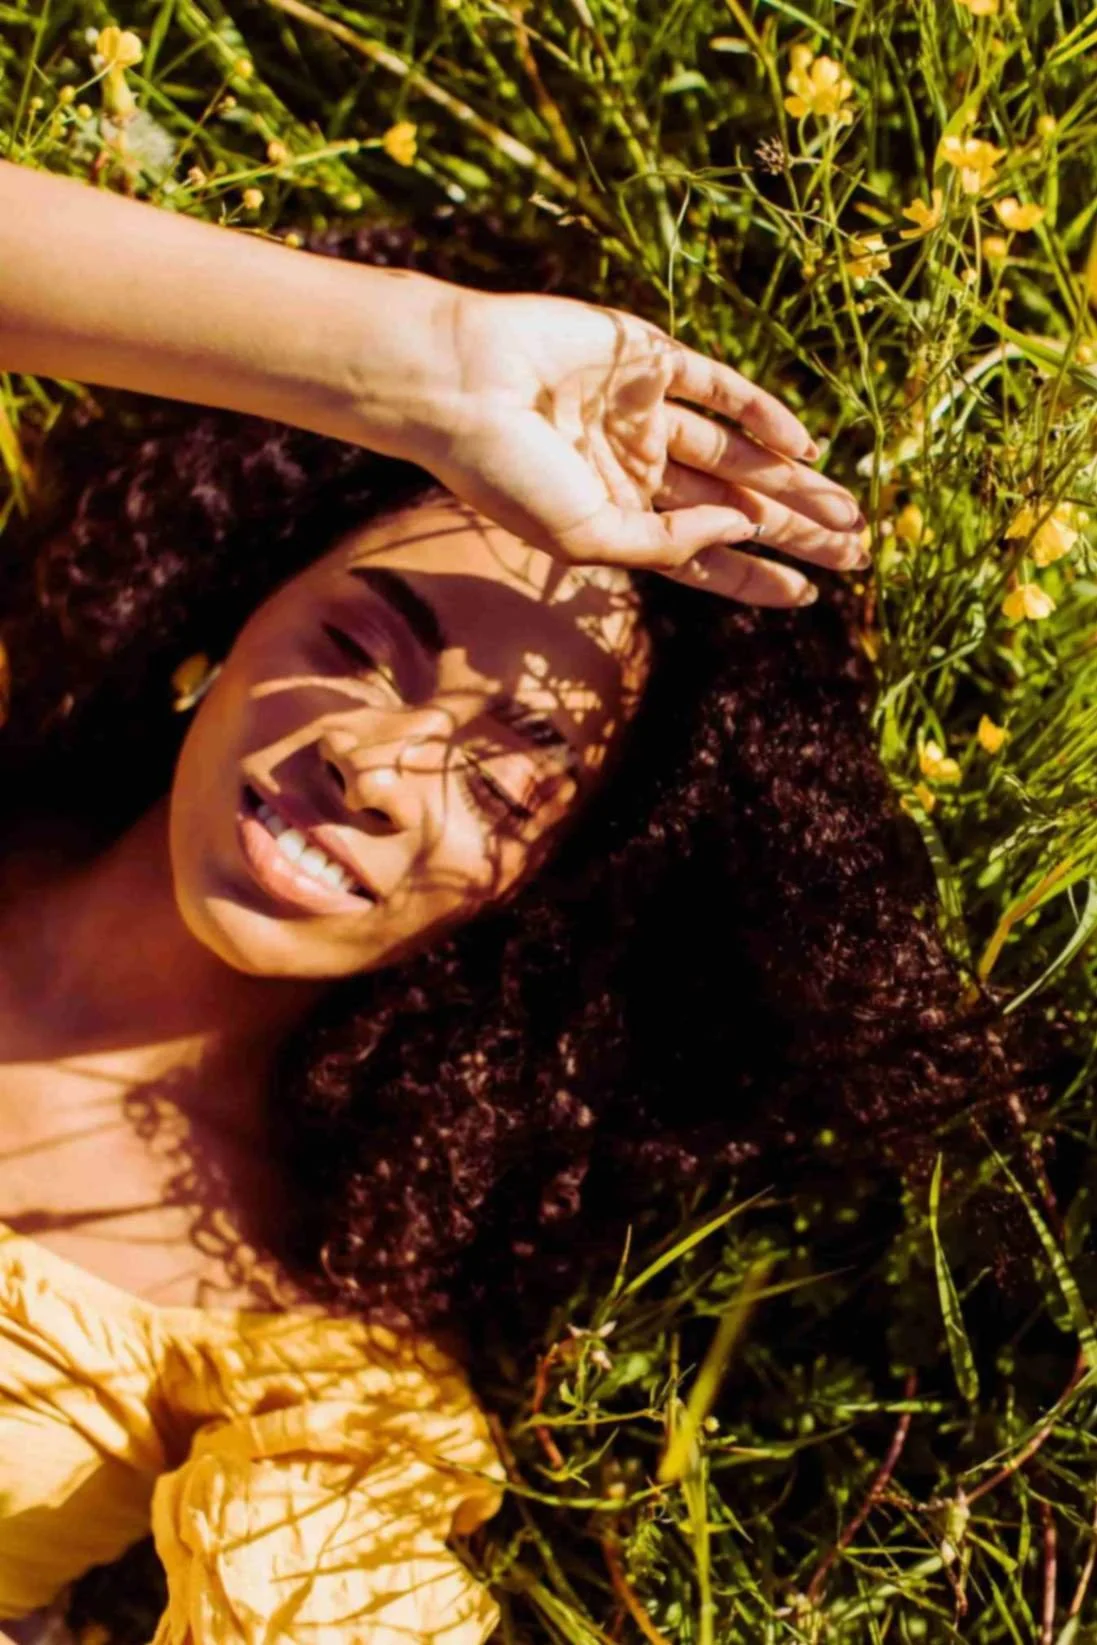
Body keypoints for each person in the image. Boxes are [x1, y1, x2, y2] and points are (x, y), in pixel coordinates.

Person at [0, 168, 1048, 1644]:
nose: (376, 768)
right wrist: (424, 367)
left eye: (505, 789)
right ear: (228, 615)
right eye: (366, 645)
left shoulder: (316, 1377)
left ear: (536, 893)